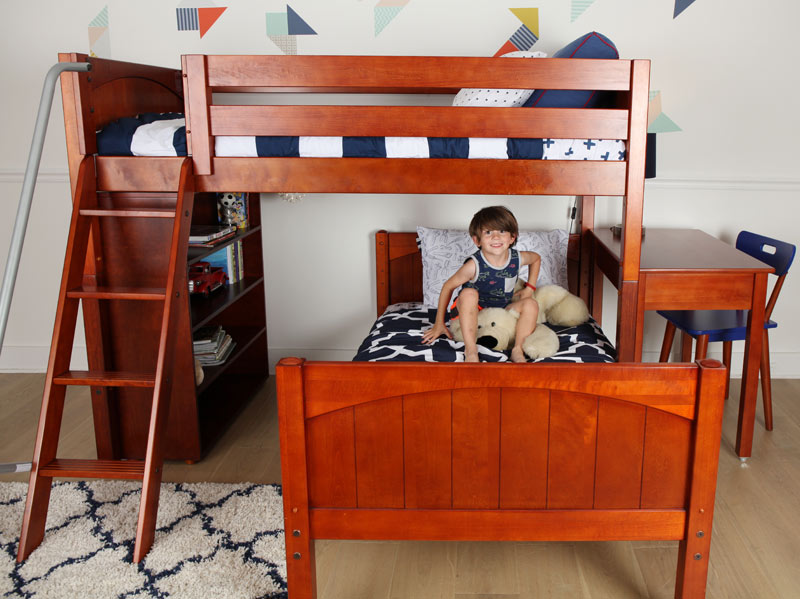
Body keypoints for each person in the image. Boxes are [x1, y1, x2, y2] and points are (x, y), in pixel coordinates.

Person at [421, 206, 540, 363]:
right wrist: (439, 323)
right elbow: (448, 286)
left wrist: (529, 289)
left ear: (512, 237)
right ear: (477, 240)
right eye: (488, 232)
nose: (496, 237)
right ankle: (471, 351)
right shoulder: (474, 265)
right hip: (471, 313)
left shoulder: (517, 258)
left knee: (531, 304)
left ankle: (517, 349)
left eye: (502, 231)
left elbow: (536, 259)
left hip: (499, 311)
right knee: (469, 293)